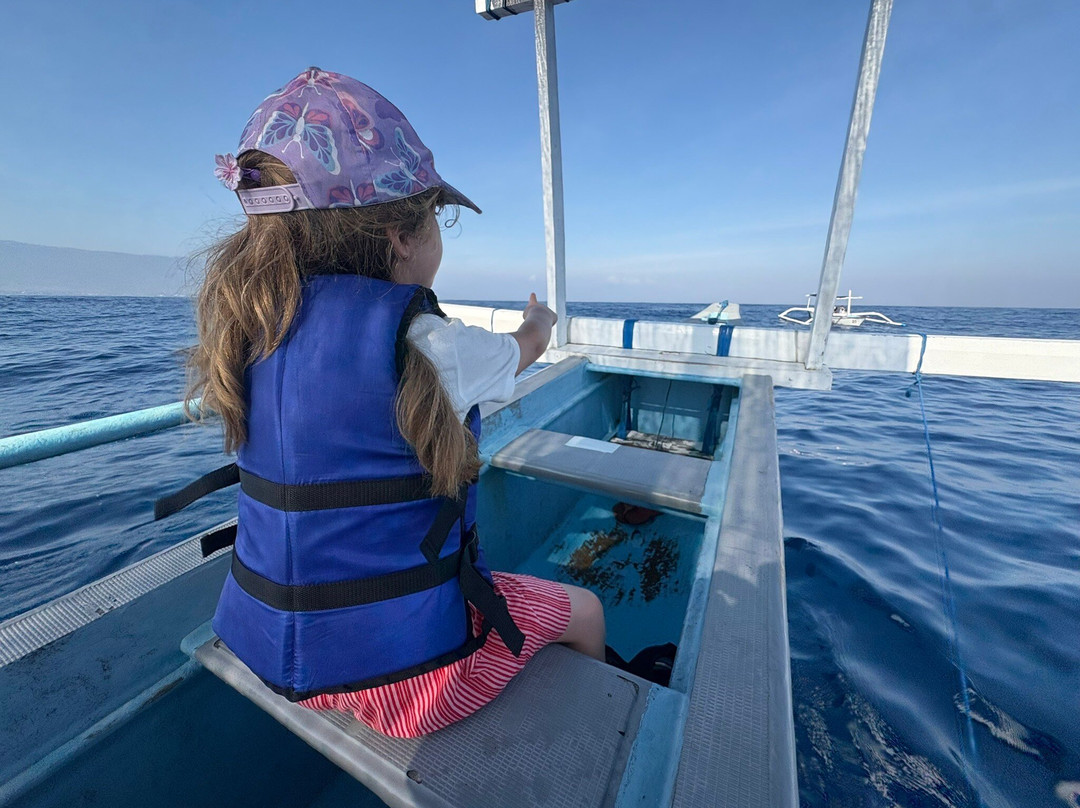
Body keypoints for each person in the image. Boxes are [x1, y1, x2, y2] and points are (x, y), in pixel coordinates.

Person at [185, 67, 605, 738]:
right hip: (417, 682)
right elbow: (522, 350)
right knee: (584, 611)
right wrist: (542, 325)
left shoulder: (247, 328)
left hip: (274, 652)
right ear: (402, 237)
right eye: (436, 219)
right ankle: (593, 733)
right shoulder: (429, 341)